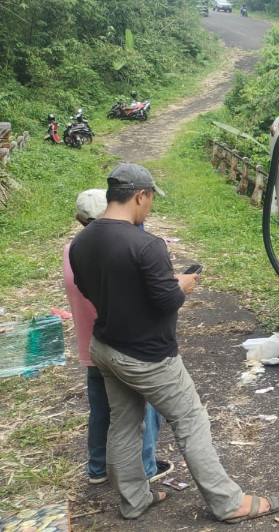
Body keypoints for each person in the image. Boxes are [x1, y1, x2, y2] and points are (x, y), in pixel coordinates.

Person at [69, 164, 279, 523]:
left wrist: (160, 284)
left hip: (105, 347)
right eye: (150, 199)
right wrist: (180, 285)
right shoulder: (146, 244)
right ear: (140, 195)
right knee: (191, 419)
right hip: (147, 355)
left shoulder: (82, 241)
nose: (149, 207)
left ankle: (134, 500)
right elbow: (167, 301)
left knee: (124, 423)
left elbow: (93, 291)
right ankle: (229, 503)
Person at [63, 189, 171, 487]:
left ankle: (97, 467)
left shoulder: (73, 249)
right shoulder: (115, 253)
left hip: (91, 348)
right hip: (122, 346)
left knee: (100, 412)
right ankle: (146, 468)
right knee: (142, 412)